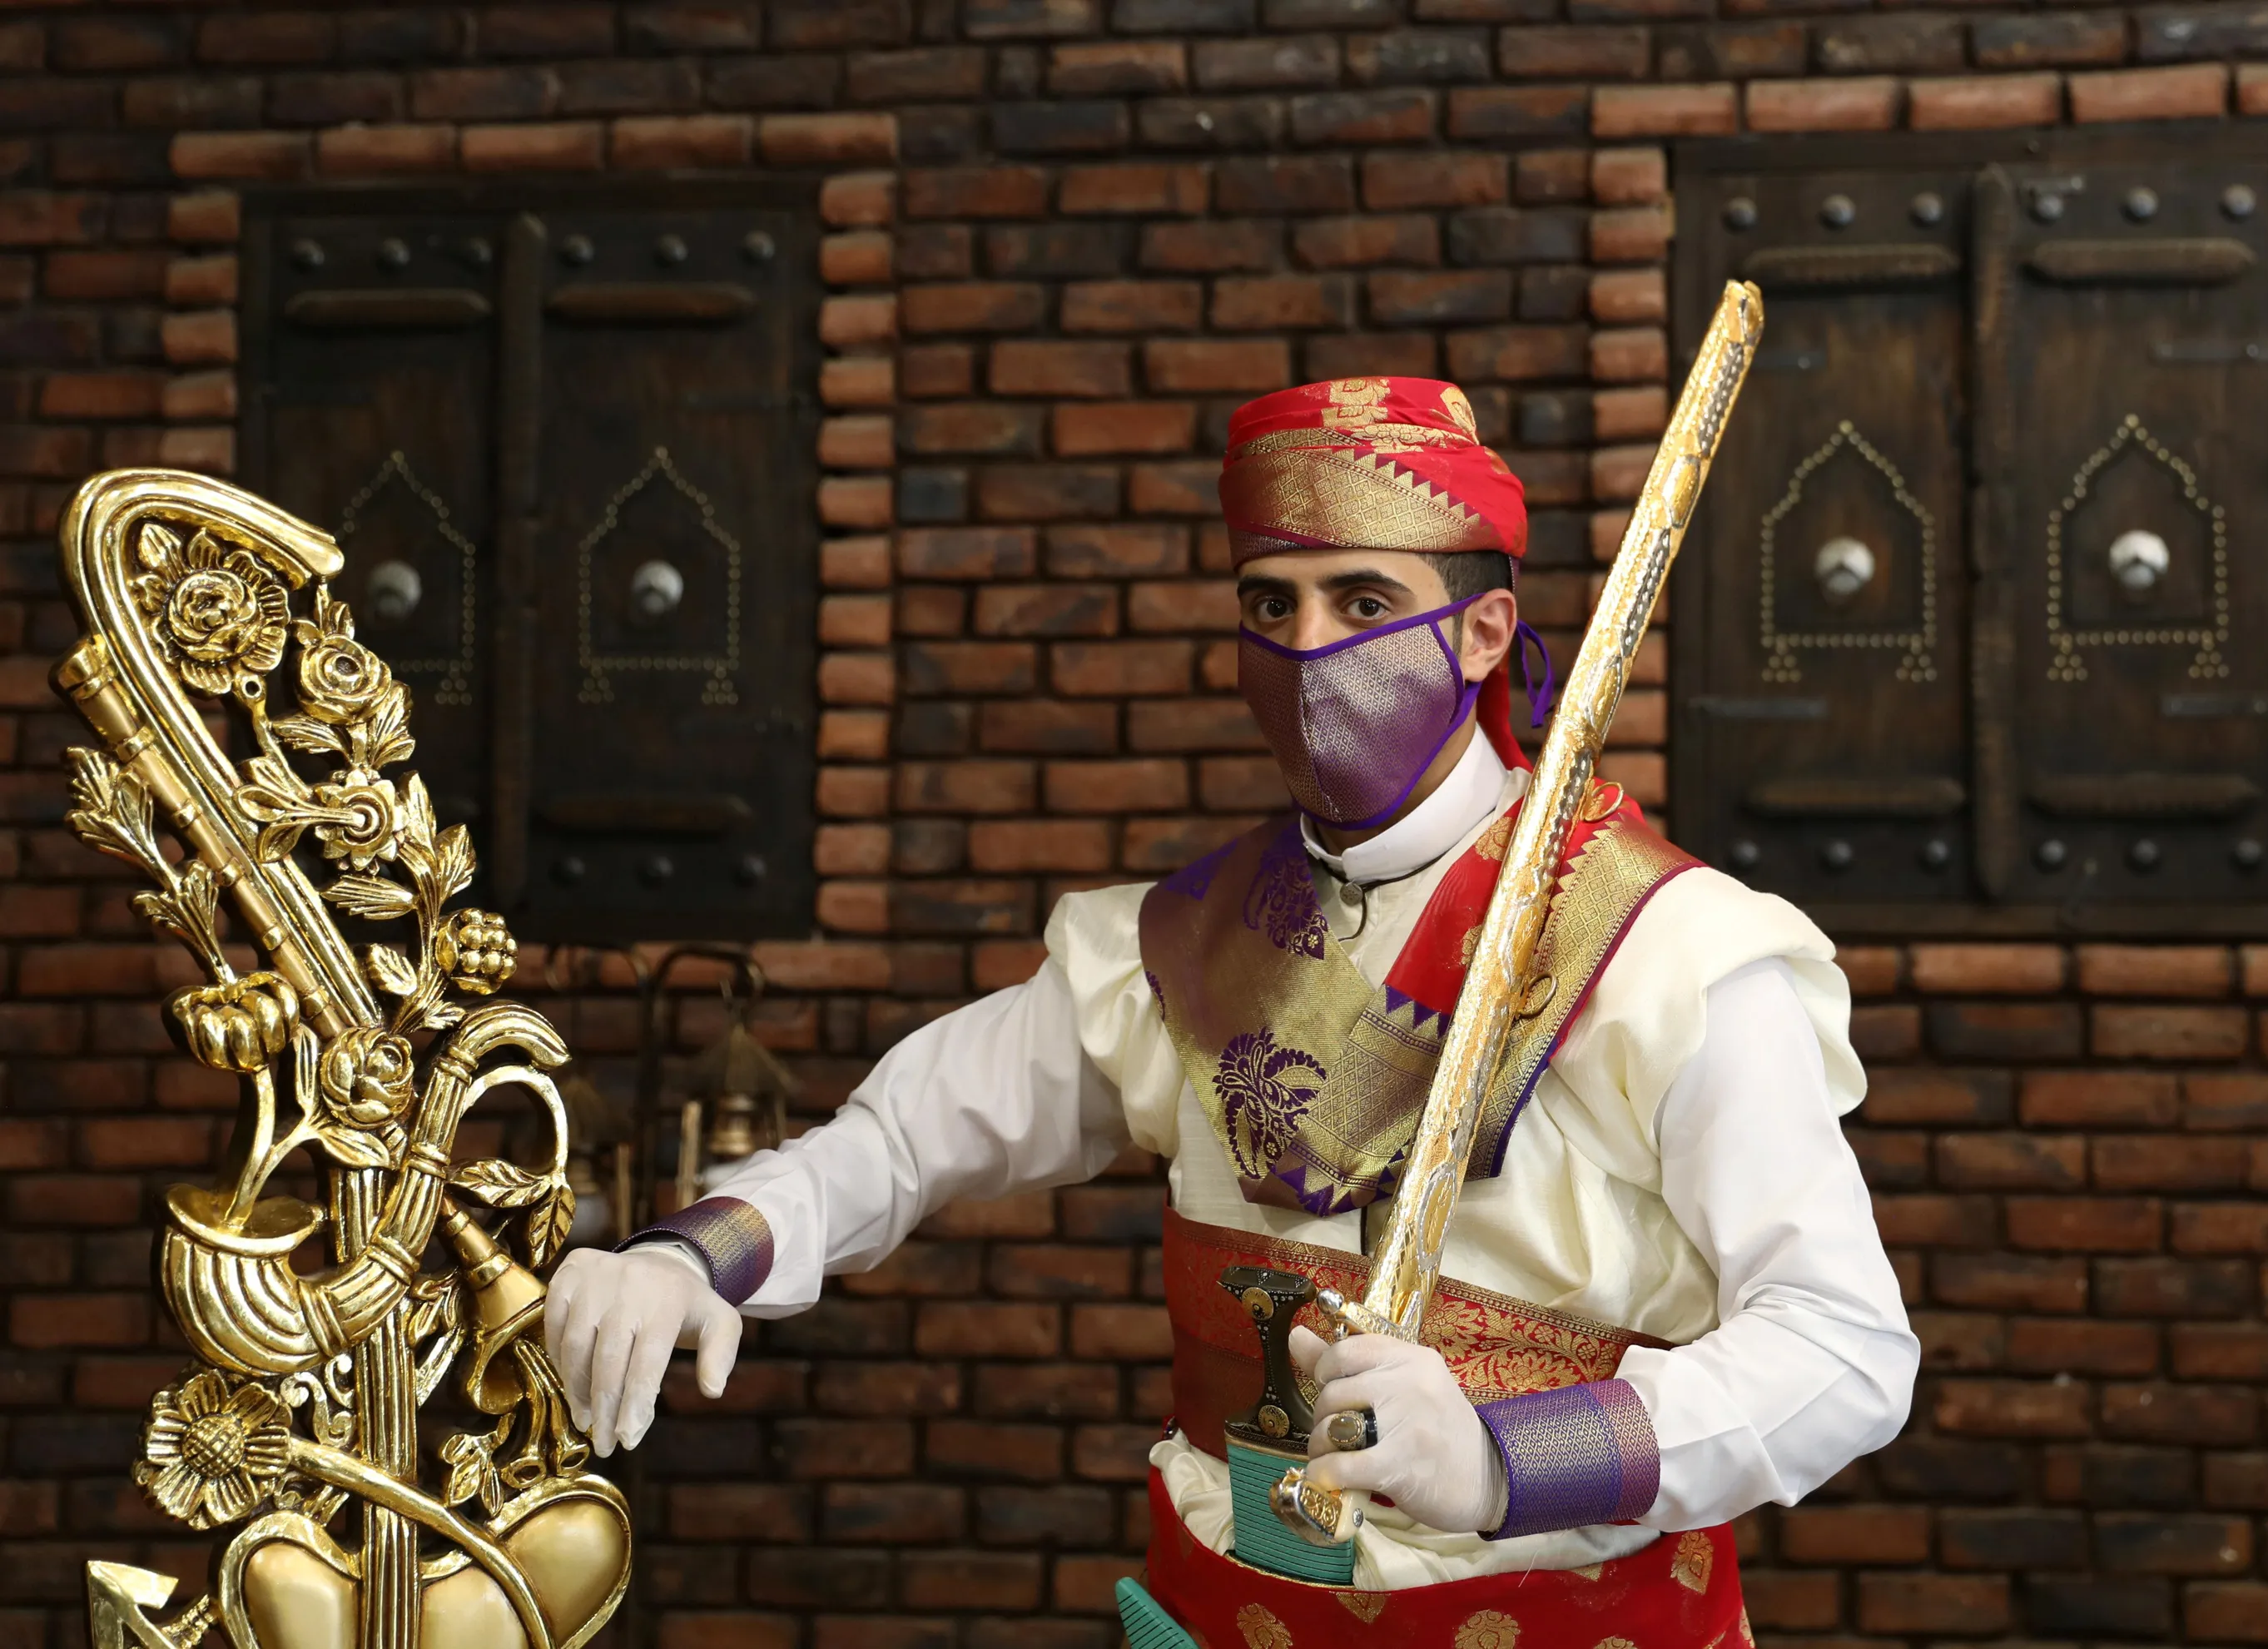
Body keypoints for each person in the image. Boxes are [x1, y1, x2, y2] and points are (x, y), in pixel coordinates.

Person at [548, 376, 1917, 1644]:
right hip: (1219, 1612)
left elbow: (1842, 1347)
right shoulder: (1183, 943)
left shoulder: (1668, 947)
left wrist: (1512, 1458)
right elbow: (902, 1139)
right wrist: (694, 1256)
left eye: (1363, 601)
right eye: (1273, 604)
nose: (1309, 649)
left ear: (1484, 632)